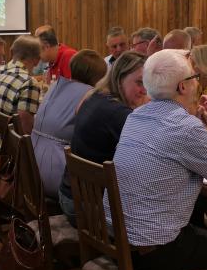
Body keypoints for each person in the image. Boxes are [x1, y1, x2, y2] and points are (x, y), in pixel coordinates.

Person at [112, 49, 207, 270]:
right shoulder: (186, 129)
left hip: (120, 240)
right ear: (183, 86)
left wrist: (194, 118)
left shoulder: (136, 116)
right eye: (195, 76)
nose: (199, 82)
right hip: (156, 249)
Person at [58, 52, 149, 225]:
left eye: (148, 84)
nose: (144, 90)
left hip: (71, 196)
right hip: (88, 209)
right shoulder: (119, 114)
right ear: (119, 77)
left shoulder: (96, 96)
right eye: (139, 82)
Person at [31, 50, 107, 202]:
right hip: (57, 178)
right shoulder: (90, 96)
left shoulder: (55, 85)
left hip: (30, 169)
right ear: (100, 76)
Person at [0, 35, 42, 149]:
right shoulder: (28, 82)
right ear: (37, 60)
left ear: (11, 52)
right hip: (6, 155)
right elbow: (25, 132)